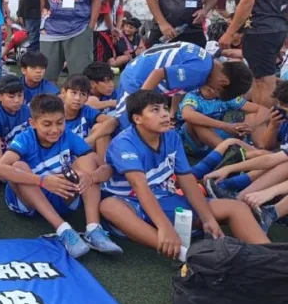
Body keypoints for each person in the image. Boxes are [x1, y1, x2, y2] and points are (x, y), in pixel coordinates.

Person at [100, 90, 269, 258]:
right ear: (137, 119)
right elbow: (139, 186)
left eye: (165, 108)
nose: (165, 114)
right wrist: (165, 226)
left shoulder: (171, 137)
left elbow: (187, 179)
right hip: (129, 202)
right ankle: (186, 254)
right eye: (155, 110)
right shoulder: (124, 143)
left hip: (163, 197)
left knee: (236, 207)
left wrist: (207, 218)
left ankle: (273, 261)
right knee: (109, 206)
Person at [0, 94, 122, 258]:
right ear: (33, 123)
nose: (55, 129)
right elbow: (0, 169)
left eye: (59, 123)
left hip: (61, 196)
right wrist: (42, 181)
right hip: (29, 202)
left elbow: (106, 168)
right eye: (47, 124)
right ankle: (63, 230)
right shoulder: (25, 138)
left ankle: (93, 229)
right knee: (18, 166)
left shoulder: (67, 135)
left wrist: (90, 177)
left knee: (86, 162)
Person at [113, 41, 253, 128]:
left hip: (141, 76)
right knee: (129, 125)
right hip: (135, 81)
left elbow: (179, 88)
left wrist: (172, 114)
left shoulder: (207, 63)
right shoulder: (200, 71)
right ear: (224, 82)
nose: (212, 91)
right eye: (217, 91)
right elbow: (157, 74)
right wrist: (139, 105)